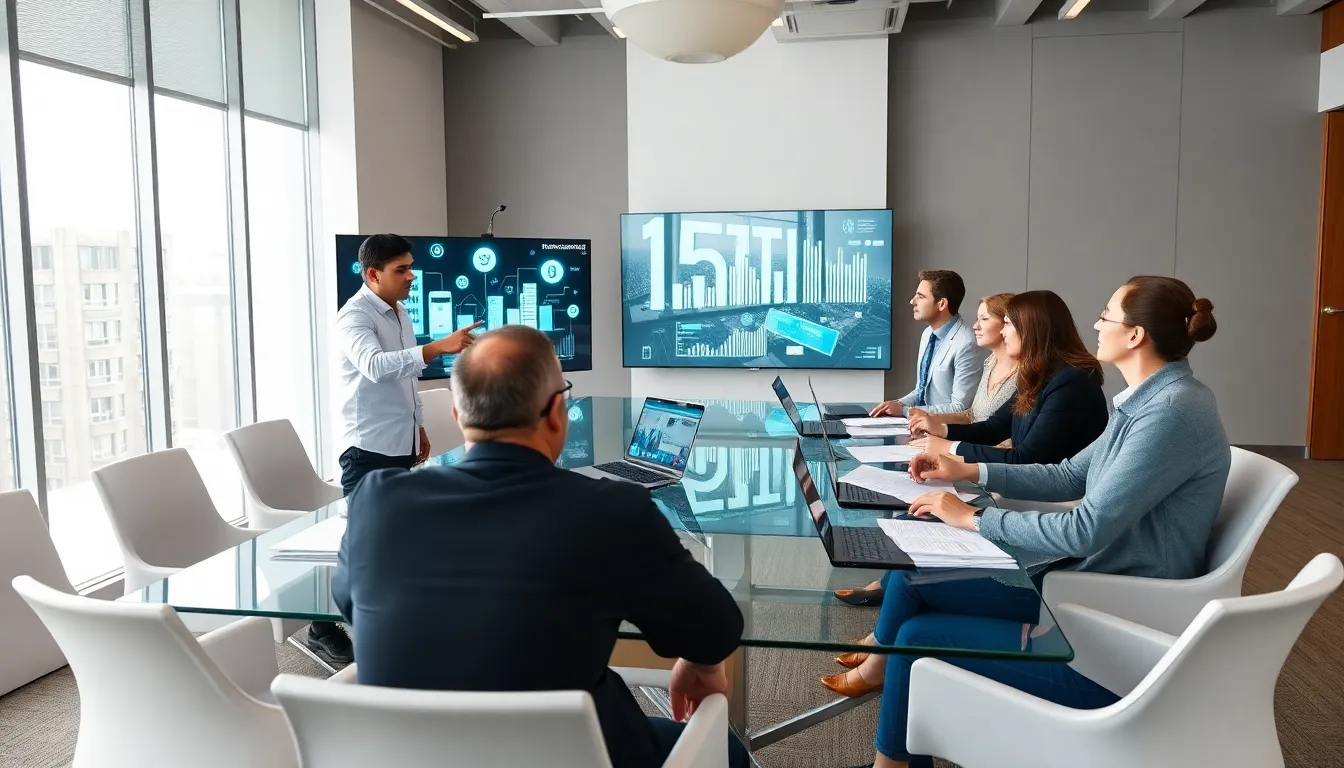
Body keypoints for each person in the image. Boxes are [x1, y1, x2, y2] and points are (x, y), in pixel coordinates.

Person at [830, 276, 1229, 768]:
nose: (1096, 324)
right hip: (1087, 588)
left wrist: (974, 517)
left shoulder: (1167, 412)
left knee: (915, 635)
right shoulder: (1151, 400)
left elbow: (1085, 529)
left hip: (1108, 627)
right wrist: (969, 471)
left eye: (1106, 315)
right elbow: (1069, 474)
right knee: (913, 579)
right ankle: (888, 715)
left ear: (1135, 335)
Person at [331, 325, 749, 768]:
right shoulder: (610, 512)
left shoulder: (375, 500)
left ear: (457, 414)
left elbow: (351, 603)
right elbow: (717, 628)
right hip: (577, 753)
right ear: (556, 411)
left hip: (410, 754)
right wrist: (700, 662)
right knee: (727, 752)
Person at [317, 233, 480, 666]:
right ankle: (320, 627)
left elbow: (406, 378)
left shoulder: (399, 311)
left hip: (399, 441)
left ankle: (398, 623)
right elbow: (375, 367)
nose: (411, 276)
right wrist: (438, 347)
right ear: (373, 274)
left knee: (397, 537)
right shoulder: (353, 318)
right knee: (364, 544)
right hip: (366, 447)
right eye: (401, 269)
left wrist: (418, 426)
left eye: (411, 267)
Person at [836, 292, 1023, 608]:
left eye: (985, 319)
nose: (976, 326)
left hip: (985, 466)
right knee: (910, 489)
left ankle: (894, 588)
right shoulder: (991, 362)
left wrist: (947, 444)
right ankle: (890, 585)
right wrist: (932, 424)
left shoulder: (1022, 376)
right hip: (965, 452)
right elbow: (972, 415)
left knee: (916, 502)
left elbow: (1000, 436)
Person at [908, 290, 1107, 465]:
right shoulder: (1039, 374)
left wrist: (950, 448)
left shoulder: (1072, 382)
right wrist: (942, 430)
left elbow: (1026, 458)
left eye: (1008, 324)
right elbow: (994, 428)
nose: (1003, 332)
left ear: (1031, 330)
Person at [870, 271, 987, 417]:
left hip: (943, 428)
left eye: (920, 297)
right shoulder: (927, 334)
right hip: (919, 423)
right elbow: (921, 392)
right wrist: (898, 403)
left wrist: (905, 411)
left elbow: (960, 408)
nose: (912, 301)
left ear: (942, 304)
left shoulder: (967, 344)